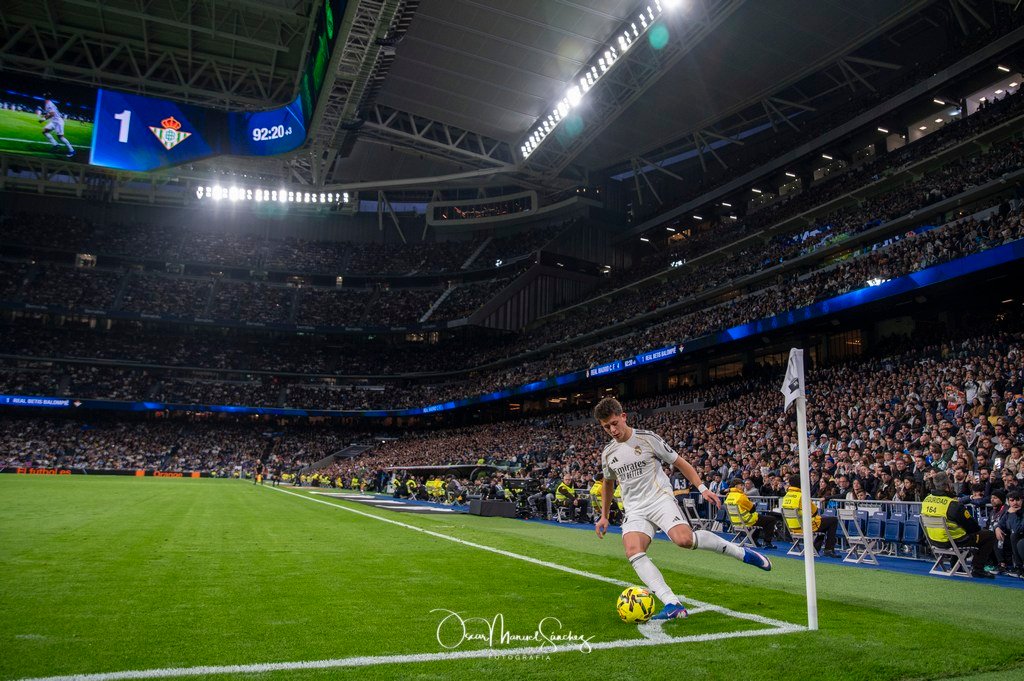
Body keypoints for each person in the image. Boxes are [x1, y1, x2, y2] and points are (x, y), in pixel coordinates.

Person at [592, 397, 771, 622]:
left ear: (623, 417)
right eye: (606, 427)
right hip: (635, 509)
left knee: (684, 540)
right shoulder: (608, 453)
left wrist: (702, 488)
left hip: (660, 499)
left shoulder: (648, 439)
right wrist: (604, 516)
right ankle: (672, 603)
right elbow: (608, 483)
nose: (612, 430)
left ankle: (742, 553)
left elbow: (680, 463)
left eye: (614, 423)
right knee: (633, 551)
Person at [921, 471, 997, 579]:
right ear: (948, 485)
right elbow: (973, 527)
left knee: (958, 531)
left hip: (933, 540)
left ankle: (955, 565)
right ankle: (978, 569)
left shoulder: (926, 500)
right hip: (953, 541)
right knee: (988, 535)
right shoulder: (952, 504)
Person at [781, 475, 839, 558]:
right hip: (805, 527)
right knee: (833, 520)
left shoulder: (786, 496)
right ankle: (828, 549)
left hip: (793, 527)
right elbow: (815, 511)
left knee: (823, 522)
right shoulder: (802, 496)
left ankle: (816, 548)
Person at [724, 477, 780, 549]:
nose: (743, 487)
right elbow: (752, 509)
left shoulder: (728, 496)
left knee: (760, 519)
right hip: (747, 520)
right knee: (771, 519)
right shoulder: (741, 496)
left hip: (735, 521)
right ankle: (767, 542)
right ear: (736, 486)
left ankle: (754, 540)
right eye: (741, 485)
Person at [995, 489, 1024, 577]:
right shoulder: (1008, 511)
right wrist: (997, 528)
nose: (1015, 502)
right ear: (1008, 502)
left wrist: (1013, 514)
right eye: (1012, 500)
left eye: (1017, 500)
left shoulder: (1015, 512)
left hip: (1020, 537)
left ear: (1022, 500)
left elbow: (1018, 529)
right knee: (996, 535)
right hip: (1015, 537)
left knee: (1015, 537)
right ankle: (1001, 565)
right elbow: (1000, 524)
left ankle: (1019, 567)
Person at [38, 94, 75, 158]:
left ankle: (72, 150)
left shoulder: (49, 104)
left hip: (58, 122)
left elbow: (52, 114)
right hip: (54, 122)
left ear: (45, 97)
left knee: (61, 137)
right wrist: (44, 117)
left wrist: (43, 119)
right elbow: (50, 113)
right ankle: (56, 145)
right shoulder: (48, 103)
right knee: (44, 131)